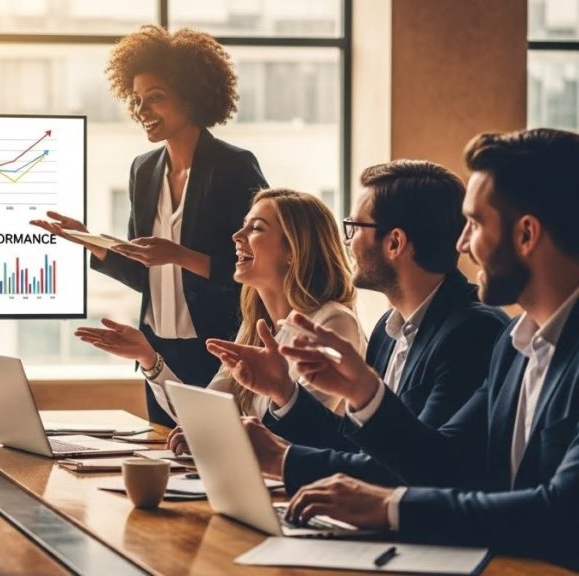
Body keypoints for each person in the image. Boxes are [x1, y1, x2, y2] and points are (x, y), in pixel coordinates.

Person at [264, 129, 579, 570]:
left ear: (526, 234)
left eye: (475, 223)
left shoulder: (483, 332)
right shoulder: (514, 348)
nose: (462, 244)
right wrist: (364, 394)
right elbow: (444, 462)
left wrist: (391, 507)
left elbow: (561, 512)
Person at [32, 26, 268, 425]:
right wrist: (91, 242)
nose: (142, 111)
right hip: (158, 351)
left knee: (215, 459)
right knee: (163, 457)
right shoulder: (144, 170)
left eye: (155, 98)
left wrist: (179, 256)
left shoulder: (233, 167)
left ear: (192, 96)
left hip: (219, 348)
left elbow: (257, 268)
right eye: (137, 100)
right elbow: (146, 274)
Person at [228, 161, 508, 488]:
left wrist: (284, 461)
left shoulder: (472, 331)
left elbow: (420, 468)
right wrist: (284, 391)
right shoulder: (387, 330)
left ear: (394, 243)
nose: (347, 242)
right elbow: (360, 447)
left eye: (355, 228)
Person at [77, 189, 366, 427]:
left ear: (293, 250)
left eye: (255, 228)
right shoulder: (256, 326)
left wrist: (224, 435)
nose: (236, 236)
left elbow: (305, 432)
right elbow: (204, 418)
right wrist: (149, 359)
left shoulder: (333, 323)